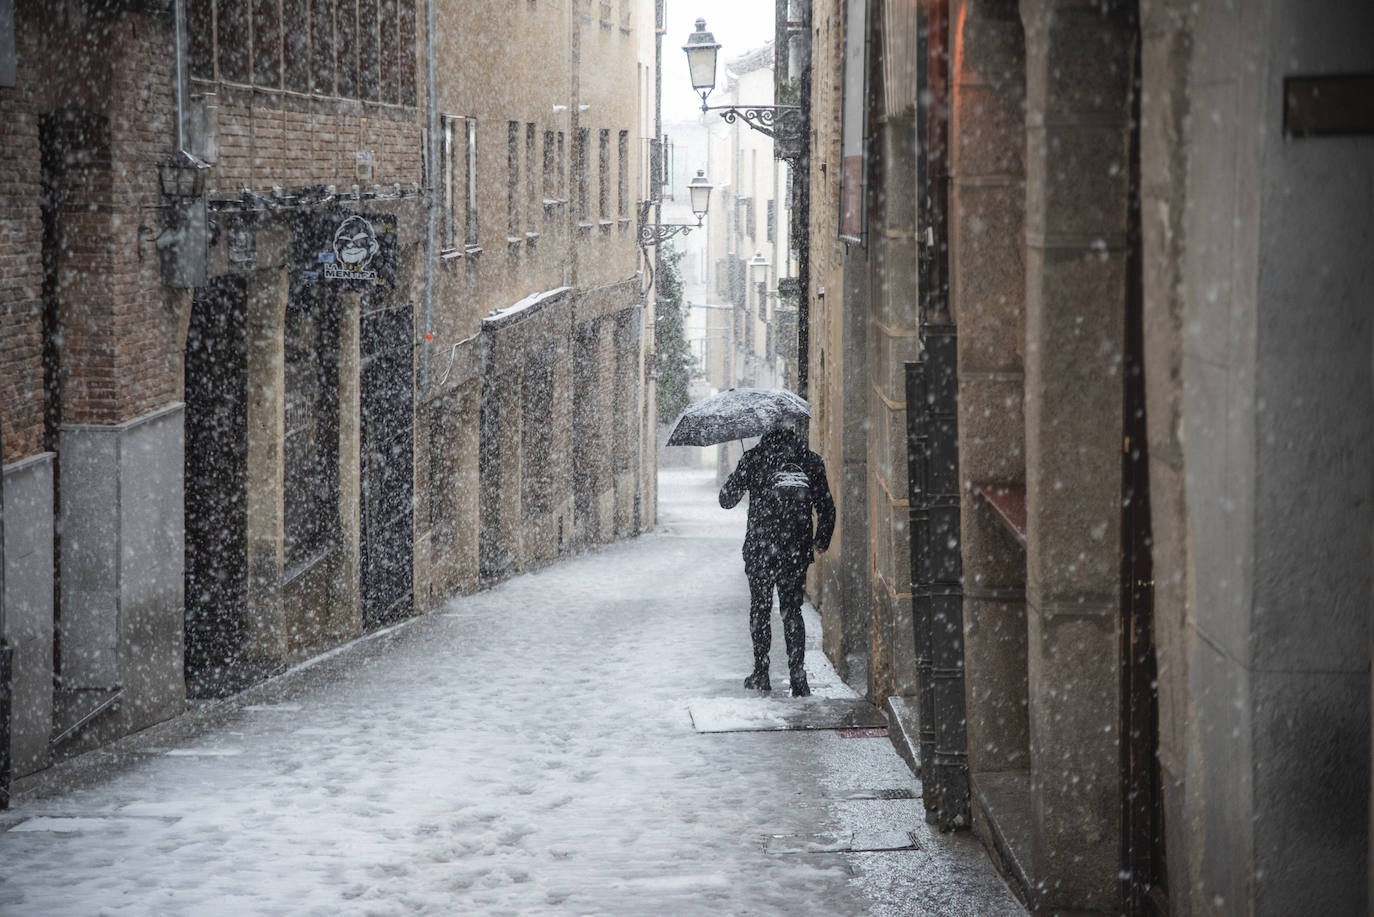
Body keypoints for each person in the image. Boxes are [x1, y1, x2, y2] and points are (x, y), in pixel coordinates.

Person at [719, 423, 835, 696]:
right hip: (795, 550)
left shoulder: (754, 458)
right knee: (792, 610)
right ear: (792, 431)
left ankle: (761, 672)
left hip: (761, 549)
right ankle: (798, 677)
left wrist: (738, 476)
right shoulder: (810, 460)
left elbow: (726, 500)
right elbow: (826, 506)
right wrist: (821, 540)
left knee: (760, 609)